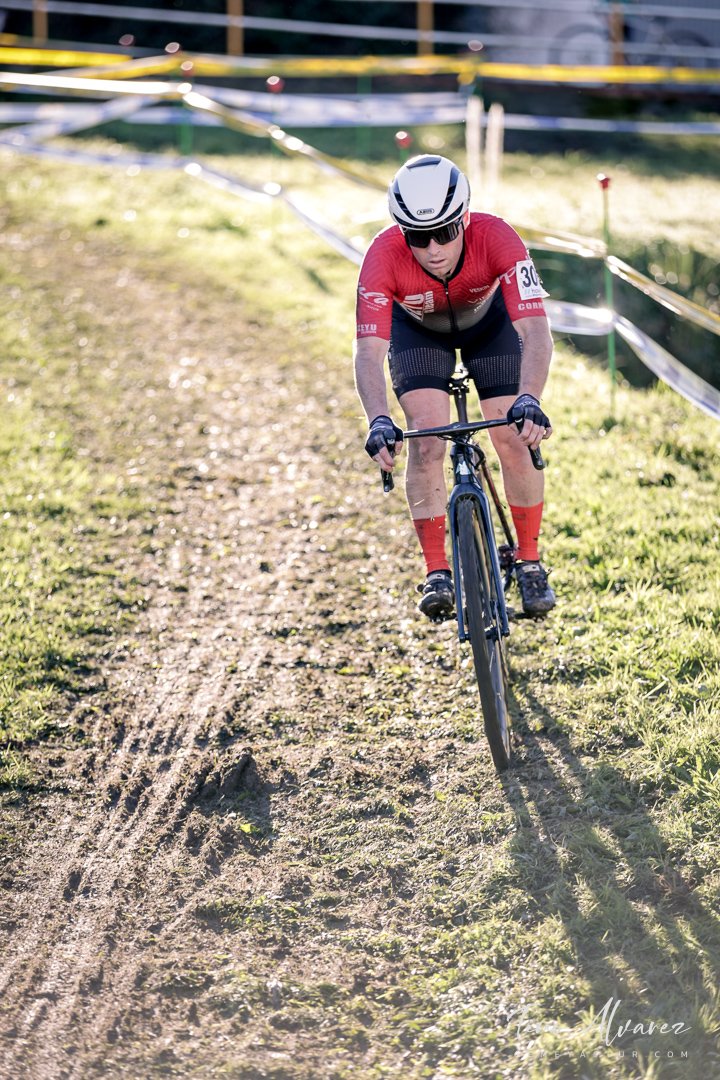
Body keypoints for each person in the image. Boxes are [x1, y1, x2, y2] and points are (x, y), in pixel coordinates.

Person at [354, 153, 555, 620]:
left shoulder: (497, 236)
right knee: (426, 442)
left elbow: (535, 330)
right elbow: (367, 353)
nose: (433, 249)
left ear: (464, 218)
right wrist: (378, 420)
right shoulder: (382, 256)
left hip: (490, 329)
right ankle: (437, 571)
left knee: (514, 436)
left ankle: (529, 561)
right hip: (419, 334)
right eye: (417, 237)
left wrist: (530, 398)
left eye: (444, 232)